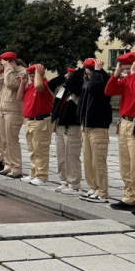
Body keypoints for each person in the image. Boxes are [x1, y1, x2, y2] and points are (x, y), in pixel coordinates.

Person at [105, 52, 135, 217]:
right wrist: (116, 74)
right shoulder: (127, 78)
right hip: (125, 123)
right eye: (122, 68)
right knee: (125, 164)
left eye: (126, 68)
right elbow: (109, 91)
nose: (124, 71)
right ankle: (130, 196)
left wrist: (134, 75)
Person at [77, 58, 113, 204]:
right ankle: (93, 187)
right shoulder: (88, 80)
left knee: (98, 161)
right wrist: (83, 71)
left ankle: (102, 192)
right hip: (86, 126)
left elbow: (95, 88)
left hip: (98, 126)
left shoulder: (102, 79)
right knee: (88, 160)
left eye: (88, 68)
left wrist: (98, 71)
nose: (87, 70)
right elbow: (73, 84)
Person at [49, 67, 83, 195]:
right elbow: (50, 84)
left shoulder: (77, 90)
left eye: (71, 75)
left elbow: (75, 86)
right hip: (59, 125)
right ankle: (64, 181)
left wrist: (73, 79)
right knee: (61, 156)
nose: (69, 77)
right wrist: (63, 77)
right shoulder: (62, 89)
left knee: (71, 155)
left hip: (72, 125)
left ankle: (74, 184)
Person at [20, 64, 54, 186]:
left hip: (41, 121)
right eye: (30, 76)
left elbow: (39, 86)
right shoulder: (30, 87)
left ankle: (42, 176)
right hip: (30, 121)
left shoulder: (45, 85)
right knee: (32, 150)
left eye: (34, 76)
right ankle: (34, 173)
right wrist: (22, 83)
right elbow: (19, 97)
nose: (32, 78)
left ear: (41, 74)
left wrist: (38, 73)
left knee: (41, 150)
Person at [0, 52, 25, 178]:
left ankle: (16, 168)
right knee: (4, 141)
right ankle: (8, 165)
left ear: (12, 62)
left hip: (14, 110)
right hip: (3, 110)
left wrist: (8, 69)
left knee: (12, 140)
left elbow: (11, 84)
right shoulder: (6, 72)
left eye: (4, 62)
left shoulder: (22, 72)